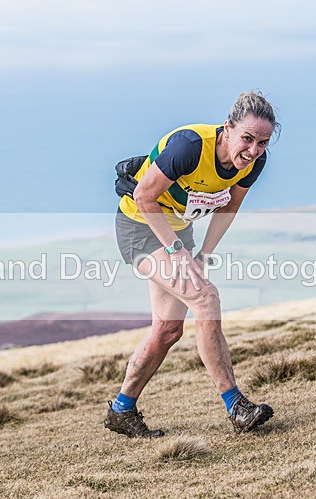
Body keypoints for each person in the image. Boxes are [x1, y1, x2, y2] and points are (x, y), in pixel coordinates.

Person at [105, 91, 280, 438]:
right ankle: (236, 405)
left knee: (168, 330)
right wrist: (175, 250)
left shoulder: (253, 162)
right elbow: (143, 196)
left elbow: (229, 206)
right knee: (206, 299)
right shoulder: (191, 146)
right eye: (247, 138)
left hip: (176, 234)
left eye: (262, 142)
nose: (254, 150)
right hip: (139, 228)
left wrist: (203, 253)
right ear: (227, 128)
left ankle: (121, 410)